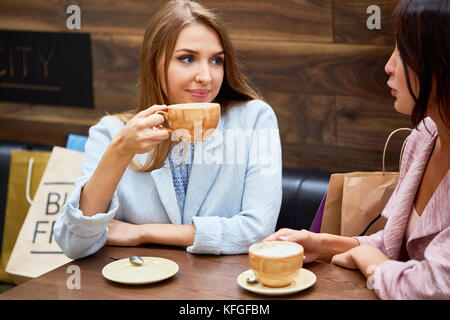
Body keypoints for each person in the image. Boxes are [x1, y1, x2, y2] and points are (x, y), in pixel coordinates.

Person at [54, 0, 282, 259]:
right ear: (155, 64)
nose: (206, 76)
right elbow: (74, 244)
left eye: (216, 61)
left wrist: (143, 233)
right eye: (187, 58)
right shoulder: (111, 132)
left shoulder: (254, 120)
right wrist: (121, 151)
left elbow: (258, 231)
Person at [265, 0, 449, 299]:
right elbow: (394, 246)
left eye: (404, 51)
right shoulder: (423, 137)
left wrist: (368, 261)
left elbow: (433, 284)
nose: (388, 66)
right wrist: (323, 244)